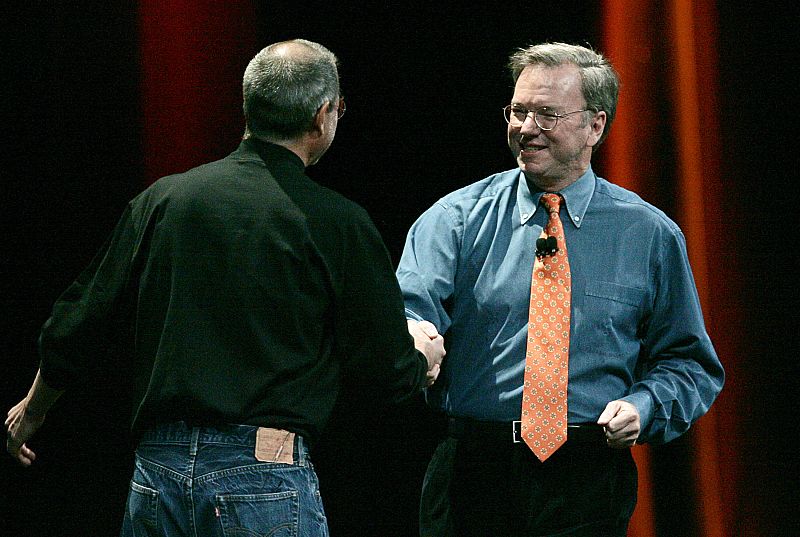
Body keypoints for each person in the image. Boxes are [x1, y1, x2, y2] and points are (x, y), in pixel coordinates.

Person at [6, 39, 445, 537]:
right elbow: (384, 371)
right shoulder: (338, 223)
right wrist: (421, 359)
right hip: (263, 477)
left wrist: (32, 412)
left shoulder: (164, 200)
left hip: (158, 472)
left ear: (248, 107)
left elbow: (79, 321)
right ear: (322, 115)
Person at [396, 41, 724, 537]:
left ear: (595, 125)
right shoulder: (454, 220)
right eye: (518, 111)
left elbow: (689, 362)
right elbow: (409, 311)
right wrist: (413, 334)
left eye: (547, 115)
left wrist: (645, 405)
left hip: (587, 475)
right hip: (474, 473)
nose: (526, 128)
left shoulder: (649, 234)